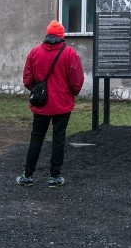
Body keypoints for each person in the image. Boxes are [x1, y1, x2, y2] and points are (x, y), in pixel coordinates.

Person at [16, 20, 84, 188]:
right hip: (62, 104)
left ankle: (28, 176)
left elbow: (27, 79)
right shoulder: (69, 53)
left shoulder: (34, 53)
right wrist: (71, 93)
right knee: (58, 139)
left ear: (47, 35)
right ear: (62, 36)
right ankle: (55, 177)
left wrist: (39, 91)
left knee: (36, 138)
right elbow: (77, 80)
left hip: (41, 105)